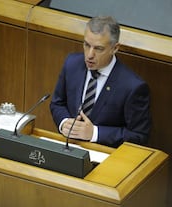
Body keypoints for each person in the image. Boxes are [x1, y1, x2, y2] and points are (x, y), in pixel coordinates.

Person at [50, 16, 151, 148]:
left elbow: (139, 136)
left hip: (105, 156)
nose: (89, 55)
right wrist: (64, 123)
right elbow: (57, 103)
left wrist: (95, 133)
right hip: (68, 147)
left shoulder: (132, 86)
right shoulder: (72, 64)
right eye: (86, 45)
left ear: (115, 48)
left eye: (98, 49)